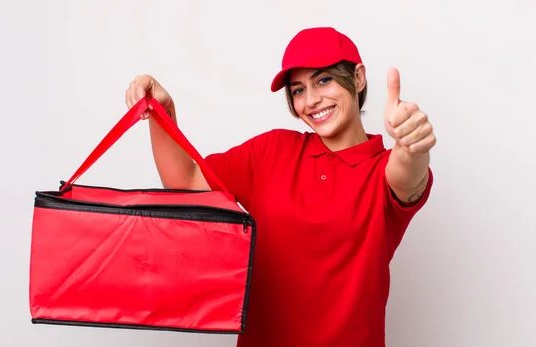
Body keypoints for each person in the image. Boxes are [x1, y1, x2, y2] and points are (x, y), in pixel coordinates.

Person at [125, 26, 435, 347]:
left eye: (324, 80)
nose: (312, 100)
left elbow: (407, 173)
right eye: (298, 90)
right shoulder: (272, 151)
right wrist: (163, 109)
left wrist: (414, 144)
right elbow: (184, 182)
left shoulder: (381, 170)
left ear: (357, 78)